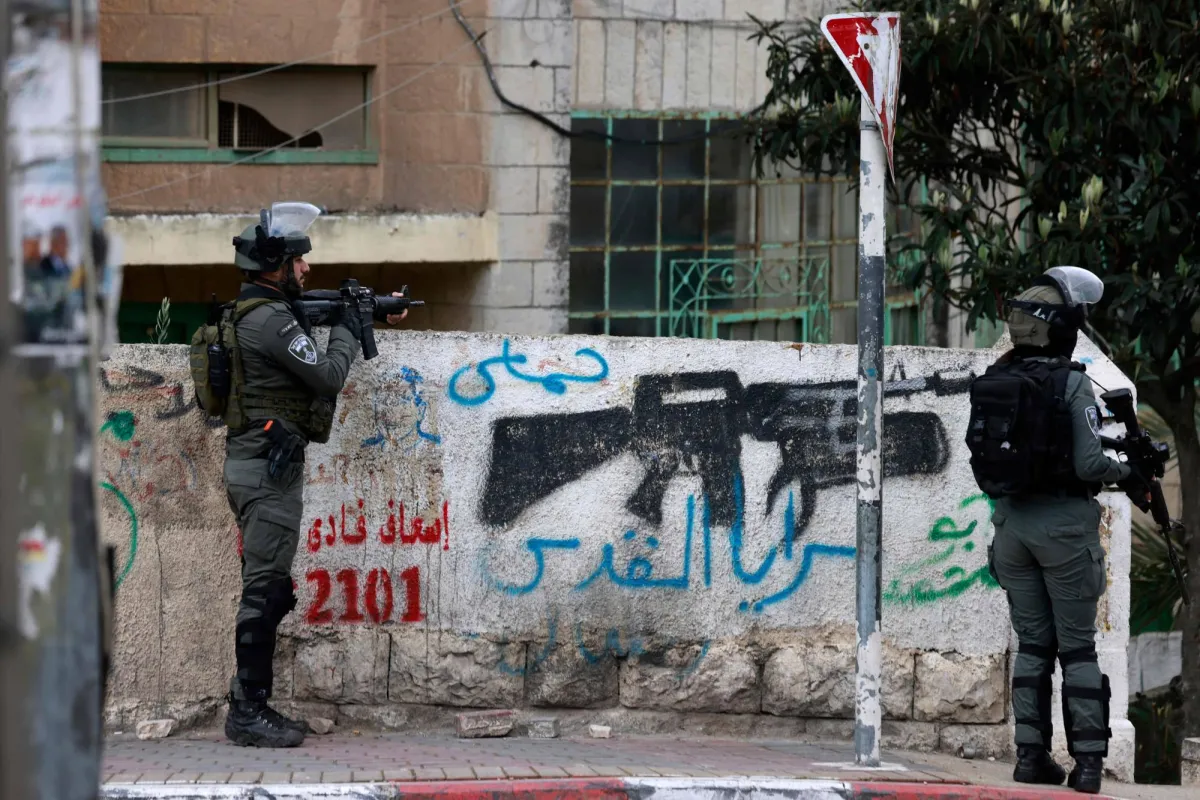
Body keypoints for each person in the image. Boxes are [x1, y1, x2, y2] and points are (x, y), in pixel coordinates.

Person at [219, 203, 408, 748]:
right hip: (267, 474)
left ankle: (248, 701)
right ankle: (247, 711)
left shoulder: (260, 311)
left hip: (259, 466)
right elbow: (325, 376)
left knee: (273, 589)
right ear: (275, 266)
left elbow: (313, 316)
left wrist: (372, 311)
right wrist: (349, 331)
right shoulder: (271, 321)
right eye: (298, 261)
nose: (306, 268)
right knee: (264, 593)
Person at [967, 266, 1142, 795]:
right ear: (1060, 328)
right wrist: (1126, 470)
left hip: (1011, 528)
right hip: (1064, 531)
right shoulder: (1071, 383)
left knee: (1033, 646)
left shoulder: (999, 375)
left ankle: (1030, 758)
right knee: (1078, 649)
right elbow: (1089, 464)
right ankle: (1087, 767)